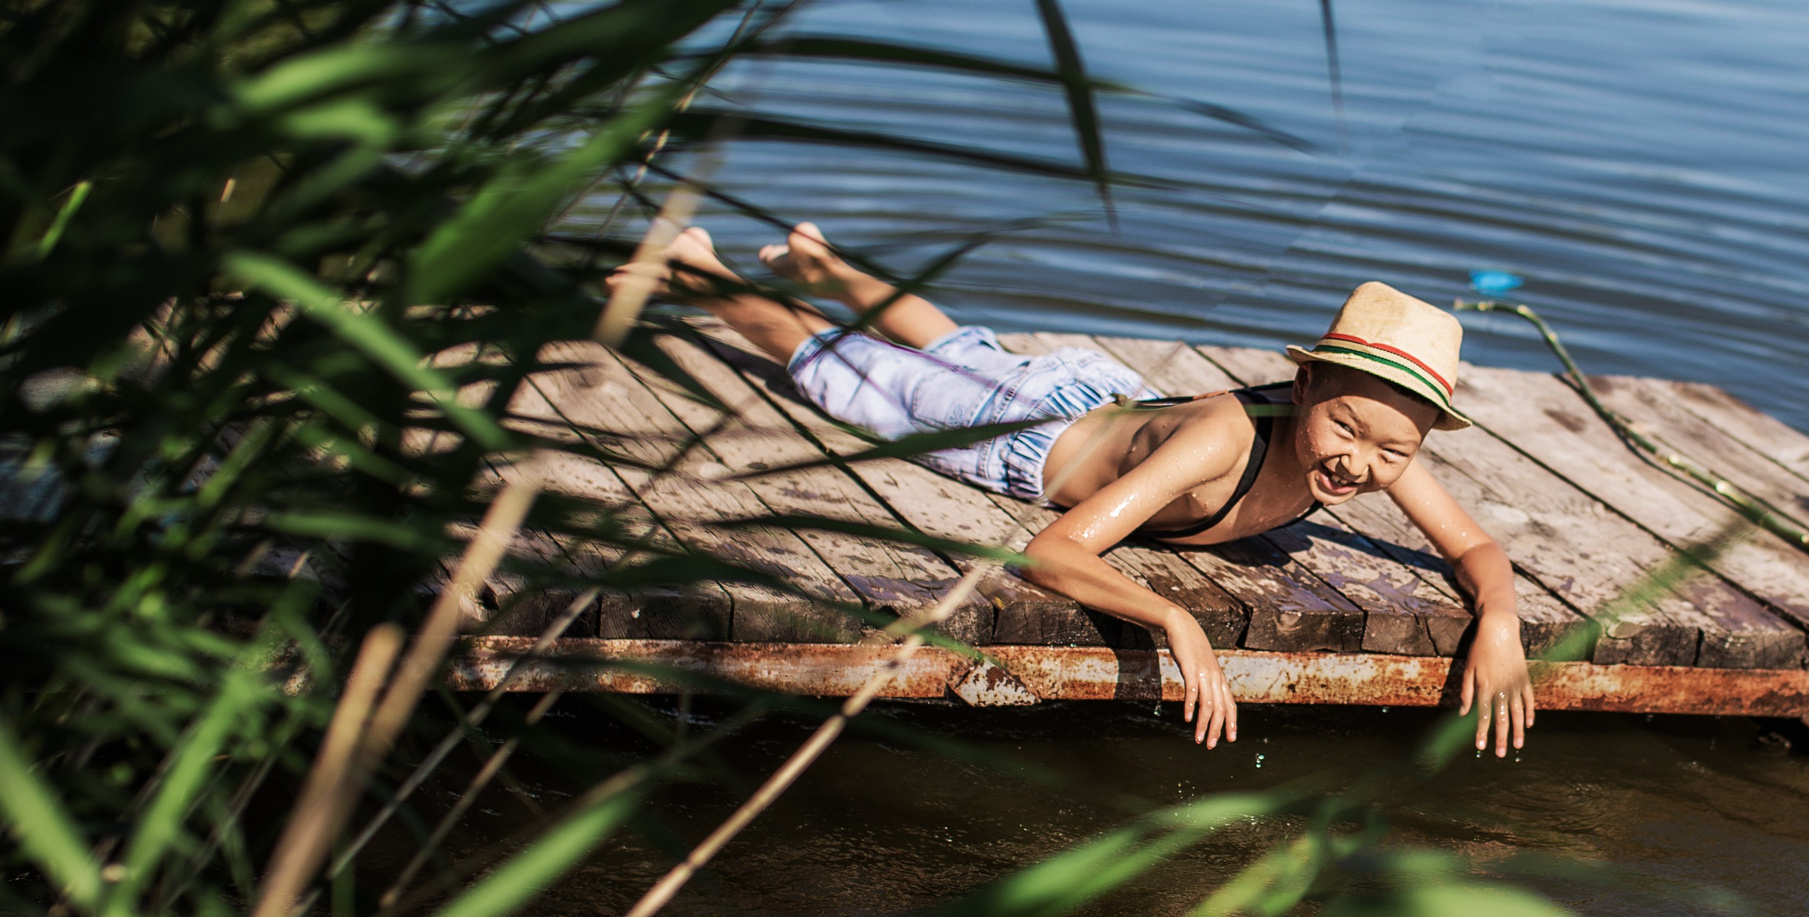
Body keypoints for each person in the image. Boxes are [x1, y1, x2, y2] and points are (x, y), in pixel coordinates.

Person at [611, 223, 1535, 755]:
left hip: (1094, 396)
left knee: (962, 348)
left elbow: (1475, 549)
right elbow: (1051, 550)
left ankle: (826, 263)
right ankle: (701, 268)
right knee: (848, 371)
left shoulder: (1378, 439)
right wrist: (1174, 619)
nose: (1360, 465)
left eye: (1391, 451)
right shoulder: (1225, 436)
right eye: (1345, 430)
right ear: (1303, 389)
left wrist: (1497, 619)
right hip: (1029, 434)